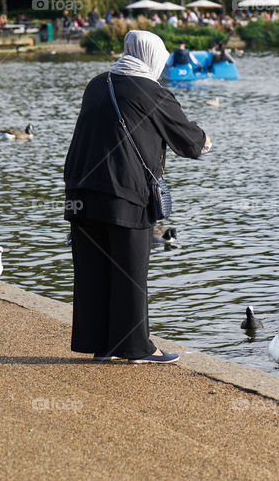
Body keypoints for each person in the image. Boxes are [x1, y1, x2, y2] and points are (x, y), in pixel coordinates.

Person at [63, 30, 211, 363]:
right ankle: (137, 348)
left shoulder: (98, 83)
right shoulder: (151, 91)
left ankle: (102, 345)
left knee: (93, 271)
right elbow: (189, 141)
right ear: (153, 57)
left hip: (80, 191)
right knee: (130, 270)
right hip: (124, 193)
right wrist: (205, 139)